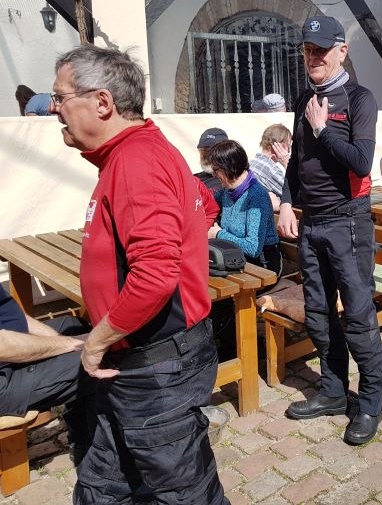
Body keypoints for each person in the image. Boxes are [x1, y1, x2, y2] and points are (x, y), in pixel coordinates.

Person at [49, 44, 228, 504]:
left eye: (61, 97)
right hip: (137, 363)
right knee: (103, 486)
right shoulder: (137, 151)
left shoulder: (136, 160)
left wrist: (96, 341)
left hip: (155, 369)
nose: (54, 109)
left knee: (187, 493)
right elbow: (196, 215)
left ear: (102, 102)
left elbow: (154, 275)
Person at [277, 15, 382, 445]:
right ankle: (332, 391)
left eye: (321, 50)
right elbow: (296, 162)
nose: (313, 57)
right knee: (319, 314)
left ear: (341, 51)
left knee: (358, 315)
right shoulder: (304, 99)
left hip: (348, 221)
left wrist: (323, 129)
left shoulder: (360, 99)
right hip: (312, 224)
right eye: (308, 50)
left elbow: (361, 162)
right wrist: (286, 201)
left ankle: (371, 401)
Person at [0, 286, 95, 463]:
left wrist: (58, 339)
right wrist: (71, 344)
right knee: (98, 360)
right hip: (4, 379)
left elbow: (7, 311)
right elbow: (3, 346)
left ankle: (83, 440)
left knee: (75, 326)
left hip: (7, 351)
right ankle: (101, 455)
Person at [206, 139, 282, 277]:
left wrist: (218, 234)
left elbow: (253, 248)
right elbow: (205, 205)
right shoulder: (227, 192)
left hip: (263, 267)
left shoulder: (257, 196)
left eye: (216, 170)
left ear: (229, 168)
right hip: (234, 261)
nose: (213, 175)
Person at [250, 123, 292, 212]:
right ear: (279, 145)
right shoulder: (270, 170)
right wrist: (287, 163)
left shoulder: (251, 164)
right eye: (288, 146)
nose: (289, 151)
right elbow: (295, 194)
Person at [195, 127, 228, 193]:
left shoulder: (230, 181)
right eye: (203, 152)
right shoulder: (195, 178)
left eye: (211, 153)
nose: (207, 158)